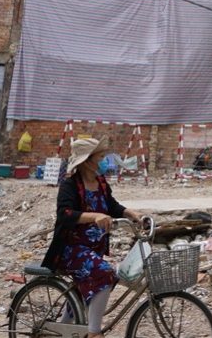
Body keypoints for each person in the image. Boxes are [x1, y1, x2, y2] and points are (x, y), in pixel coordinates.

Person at [41, 138, 144, 338]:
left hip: (92, 249)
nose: (104, 160)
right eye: (101, 157)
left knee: (82, 292)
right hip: (70, 249)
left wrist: (131, 213)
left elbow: (112, 206)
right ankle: (93, 333)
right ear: (87, 160)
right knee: (105, 273)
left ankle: (62, 331)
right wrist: (94, 216)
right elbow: (65, 213)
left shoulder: (101, 183)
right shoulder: (70, 185)